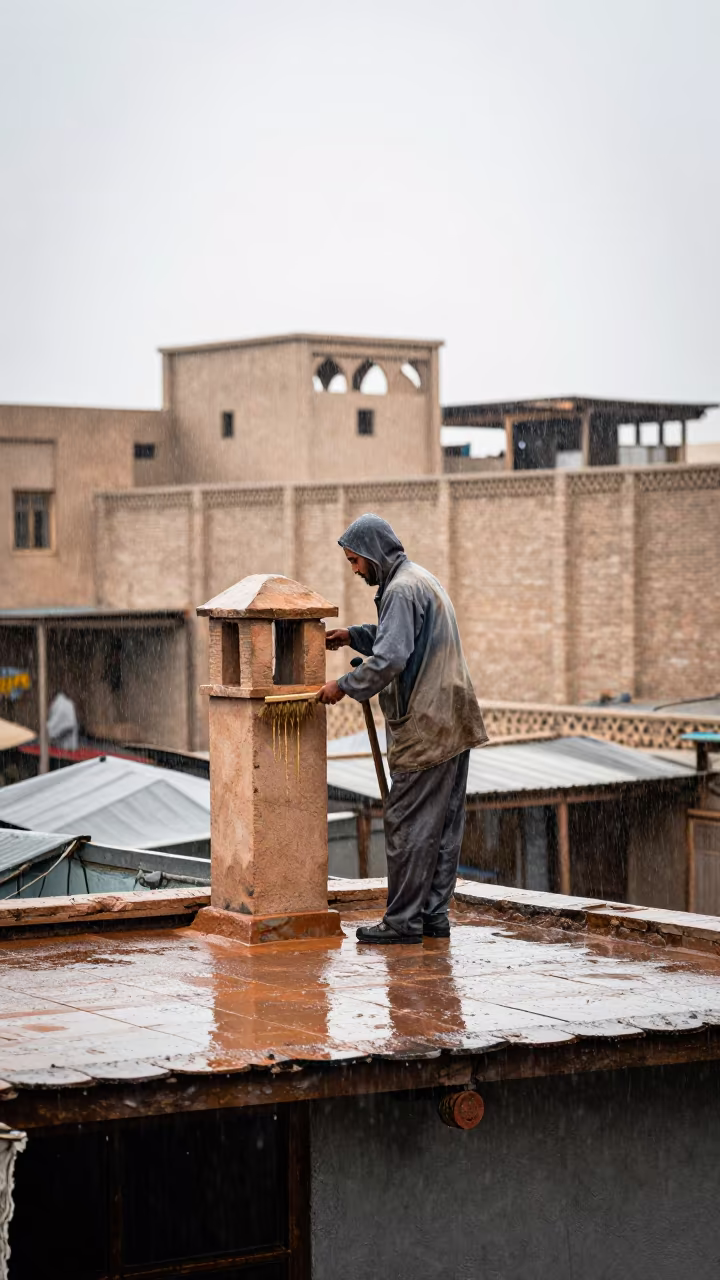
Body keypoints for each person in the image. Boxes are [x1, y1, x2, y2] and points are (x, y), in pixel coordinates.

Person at [317, 513, 487, 944]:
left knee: (408, 823)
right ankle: (432, 915)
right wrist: (352, 635)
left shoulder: (399, 590)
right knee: (442, 826)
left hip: (428, 725)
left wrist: (344, 686)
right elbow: (401, 638)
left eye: (355, 561)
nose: (355, 570)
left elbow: (392, 657)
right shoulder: (417, 580)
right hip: (454, 719)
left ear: (373, 554)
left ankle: (403, 922)